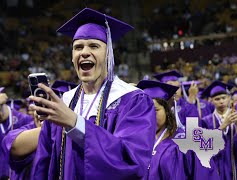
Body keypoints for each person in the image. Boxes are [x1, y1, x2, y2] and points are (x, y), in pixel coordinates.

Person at [29, 8, 156, 179]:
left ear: (108, 54)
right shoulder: (63, 103)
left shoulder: (133, 101)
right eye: (78, 47)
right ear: (72, 57)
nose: (84, 52)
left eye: (94, 46)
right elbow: (43, 165)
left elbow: (132, 161)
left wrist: (75, 123)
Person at [137, 80, 220, 179]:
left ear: (167, 111)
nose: (149, 115)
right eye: (144, 110)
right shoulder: (137, 141)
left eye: (155, 110)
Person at [200, 81, 237, 180]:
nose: (221, 101)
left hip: (236, 161)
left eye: (223, 98)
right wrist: (223, 125)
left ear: (229, 98)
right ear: (211, 101)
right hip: (216, 163)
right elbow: (205, 147)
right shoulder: (205, 121)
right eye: (217, 99)